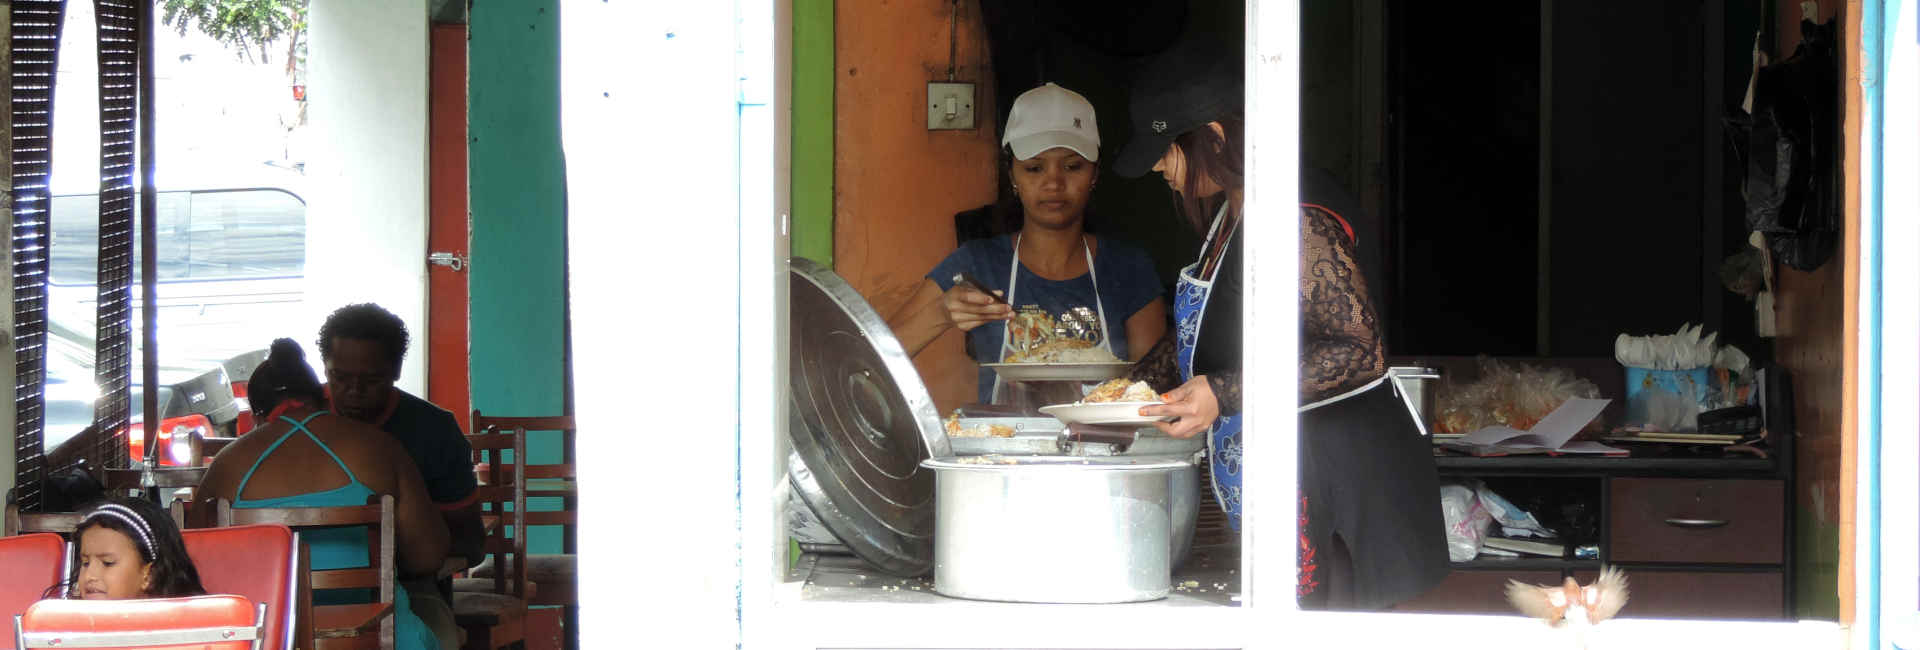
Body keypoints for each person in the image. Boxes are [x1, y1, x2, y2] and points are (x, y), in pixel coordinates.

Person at [1114, 38, 1447, 611]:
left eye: (1166, 151)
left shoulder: (1298, 213)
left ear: (1215, 138)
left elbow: (1357, 351)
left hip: (1337, 486)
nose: (1158, 168)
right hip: (1281, 476)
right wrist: (1127, 394)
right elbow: (1205, 330)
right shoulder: (1234, 209)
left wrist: (1224, 391)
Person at [887, 82, 1168, 405]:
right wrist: (940, 313)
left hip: (1104, 449)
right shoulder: (976, 264)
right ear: (1012, 177)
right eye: (1034, 168)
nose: (1053, 183)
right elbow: (875, 356)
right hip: (1003, 449)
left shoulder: (1129, 269)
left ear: (1094, 174)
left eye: (1072, 166)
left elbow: (1152, 391)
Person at [196, 338, 452, 650]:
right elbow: (428, 557)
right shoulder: (377, 446)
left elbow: (195, 570)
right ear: (321, 397)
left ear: (257, 415)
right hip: (375, 637)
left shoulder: (227, 464)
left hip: (266, 638)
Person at [315, 305, 484, 562]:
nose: (354, 390)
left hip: (411, 585)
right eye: (339, 377)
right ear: (325, 368)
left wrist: (382, 562)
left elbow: (470, 544)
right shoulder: (299, 423)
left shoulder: (435, 430)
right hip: (306, 585)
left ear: (396, 371)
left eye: (371, 380)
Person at [44, 496, 207, 600]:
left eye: (107, 563)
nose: (90, 575)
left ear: (149, 575)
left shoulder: (184, 632)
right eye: (85, 563)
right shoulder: (66, 631)